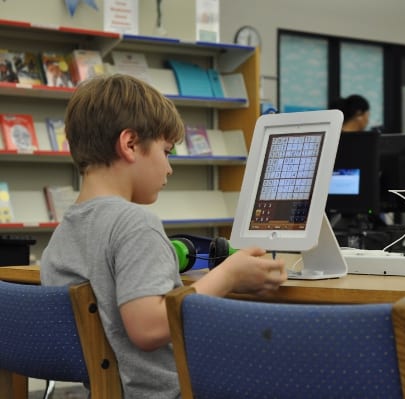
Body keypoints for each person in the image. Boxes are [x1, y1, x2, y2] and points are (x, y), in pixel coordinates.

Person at [40, 74, 288, 398]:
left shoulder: (65, 230)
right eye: (166, 151)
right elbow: (149, 328)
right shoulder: (135, 223)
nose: (169, 168)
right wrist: (229, 275)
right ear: (129, 144)